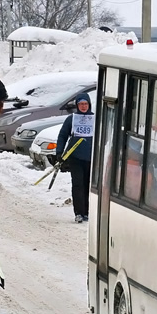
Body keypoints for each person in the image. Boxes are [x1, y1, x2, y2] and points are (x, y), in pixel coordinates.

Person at [56, 92, 94, 223]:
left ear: (89, 105)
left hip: (91, 158)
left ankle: (87, 212)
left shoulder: (95, 119)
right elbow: (62, 136)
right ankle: (79, 212)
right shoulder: (71, 119)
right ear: (77, 105)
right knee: (77, 184)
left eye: (85, 104)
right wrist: (59, 152)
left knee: (88, 185)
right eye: (81, 104)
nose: (83, 107)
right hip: (75, 157)